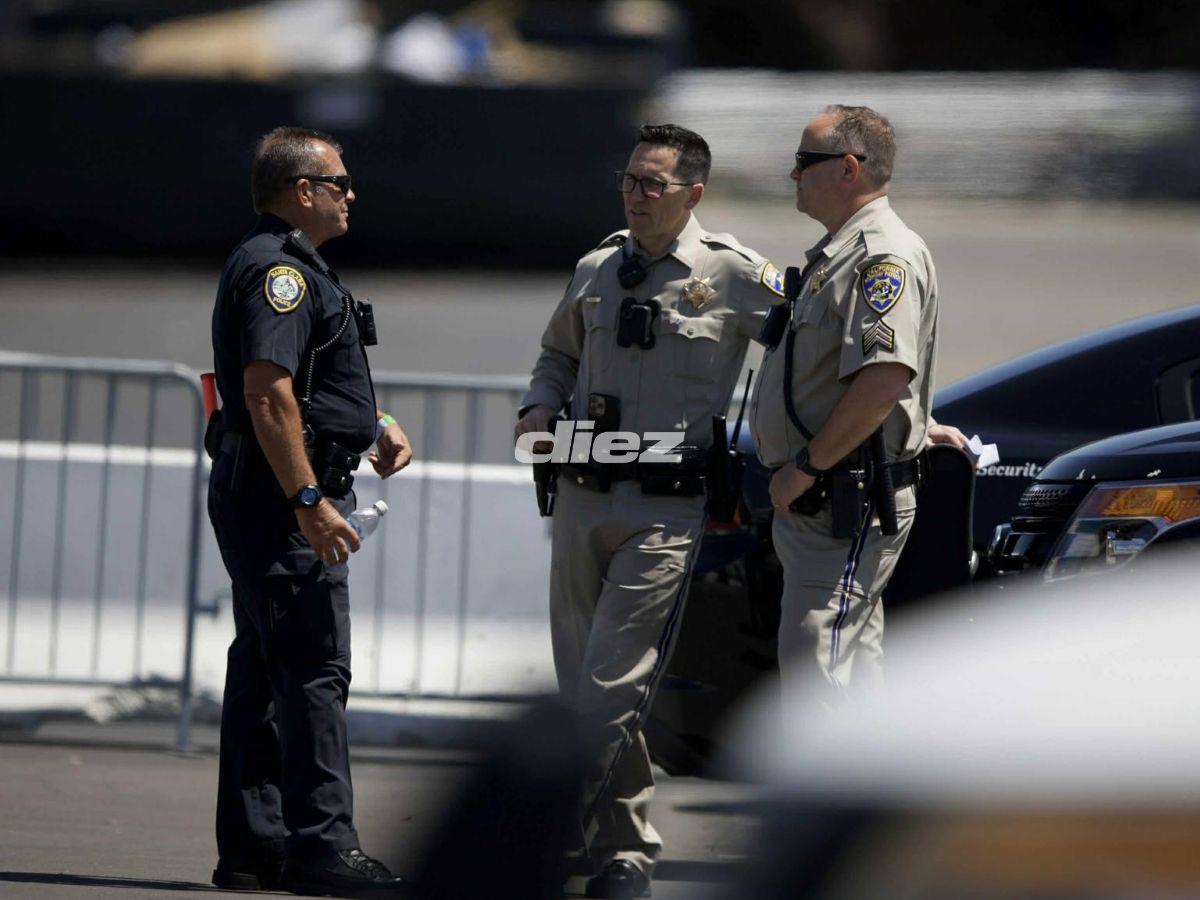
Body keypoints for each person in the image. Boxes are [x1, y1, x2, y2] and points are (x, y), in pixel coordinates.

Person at [514, 123, 785, 899]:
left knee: (610, 691)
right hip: (578, 499)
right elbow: (557, 353)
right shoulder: (597, 265)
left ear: (692, 194)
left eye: (652, 184)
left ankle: (546, 832)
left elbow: (815, 346)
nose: (635, 195)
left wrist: (890, 408)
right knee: (582, 689)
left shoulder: (732, 275)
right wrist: (539, 407)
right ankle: (621, 853)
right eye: (629, 180)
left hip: (665, 512)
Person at [207, 126, 413, 896]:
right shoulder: (279, 274)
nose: (350, 195)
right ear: (303, 192)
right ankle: (323, 846)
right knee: (315, 667)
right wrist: (308, 501)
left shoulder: (292, 265)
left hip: (273, 489)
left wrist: (373, 424)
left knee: (265, 666)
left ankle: (256, 849)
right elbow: (267, 391)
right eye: (340, 183)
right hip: (279, 496)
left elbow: (309, 379)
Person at [749, 105, 967, 702]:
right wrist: (918, 424)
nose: (793, 174)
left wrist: (808, 467)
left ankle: (829, 796)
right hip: (828, 497)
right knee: (851, 668)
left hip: (839, 498)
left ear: (848, 168)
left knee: (818, 670)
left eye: (803, 161)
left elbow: (884, 376)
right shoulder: (841, 251)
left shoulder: (879, 256)